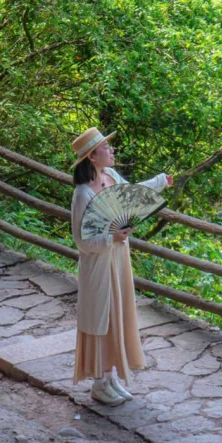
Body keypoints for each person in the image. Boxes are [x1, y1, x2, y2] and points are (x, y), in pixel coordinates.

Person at [69, 127, 172, 406]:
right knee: (100, 316)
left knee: (118, 312)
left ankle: (111, 376)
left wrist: (161, 181)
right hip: (98, 263)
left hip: (118, 257)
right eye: (106, 148)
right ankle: (99, 382)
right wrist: (111, 237)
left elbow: (132, 195)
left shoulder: (111, 176)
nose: (112, 151)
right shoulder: (82, 194)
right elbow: (81, 240)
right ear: (92, 156)